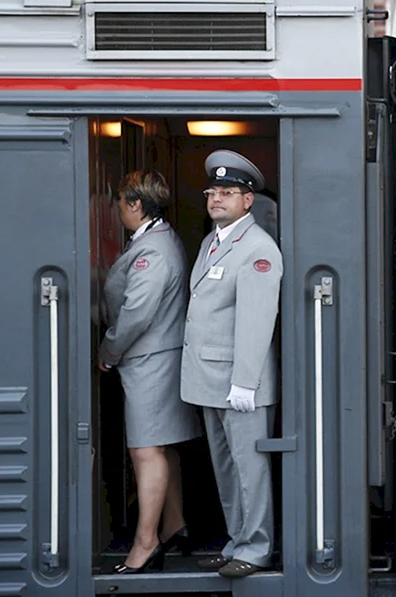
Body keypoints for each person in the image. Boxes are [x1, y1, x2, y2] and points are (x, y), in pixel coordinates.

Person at [181, 150, 283, 579]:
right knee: (226, 469)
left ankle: (257, 547)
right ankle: (237, 540)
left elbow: (257, 321)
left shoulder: (258, 248)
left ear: (248, 201)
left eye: (228, 192)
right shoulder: (212, 241)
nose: (217, 199)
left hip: (239, 383)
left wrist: (245, 382)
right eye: (213, 191)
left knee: (249, 468)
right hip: (209, 379)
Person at [98, 170, 202, 574]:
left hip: (150, 360)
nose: (117, 209)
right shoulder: (160, 238)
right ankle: (176, 525)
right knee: (163, 445)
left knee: (145, 450)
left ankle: (146, 543)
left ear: (136, 205)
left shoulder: (152, 251)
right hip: (160, 357)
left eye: (121, 203)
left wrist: (109, 349)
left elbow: (136, 312)